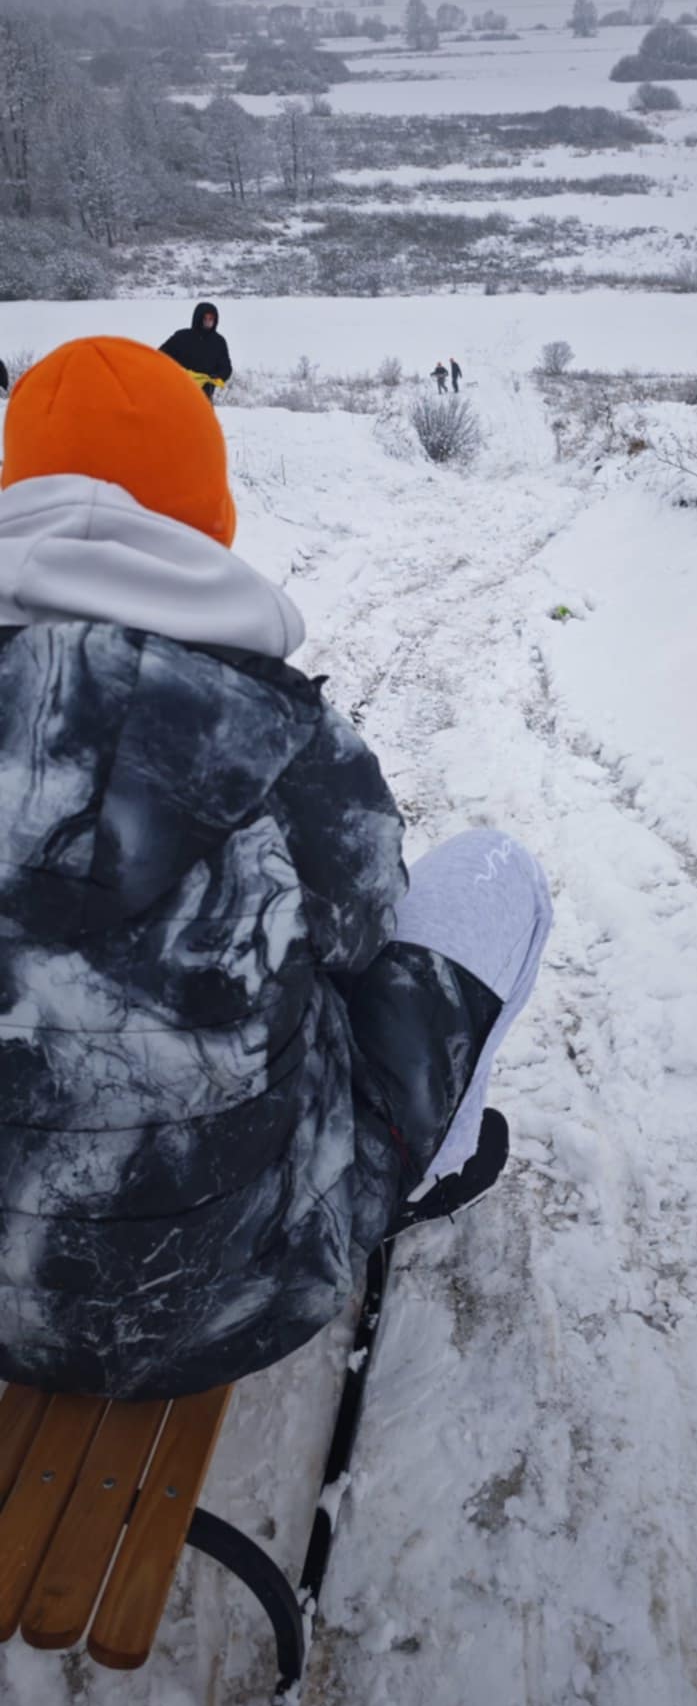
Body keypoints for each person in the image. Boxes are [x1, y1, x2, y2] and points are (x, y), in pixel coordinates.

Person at [0, 337, 551, 1401]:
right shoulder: (274, 726)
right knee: (496, 871)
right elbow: (366, 926)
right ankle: (432, 1164)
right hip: (242, 1295)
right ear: (205, 515)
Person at [160, 300, 232, 398]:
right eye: (205, 318)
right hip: (178, 389)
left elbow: (226, 368)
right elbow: (162, 355)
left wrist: (217, 376)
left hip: (204, 394)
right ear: (198, 318)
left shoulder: (219, 342)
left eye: (211, 318)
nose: (208, 321)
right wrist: (176, 372)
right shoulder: (182, 337)